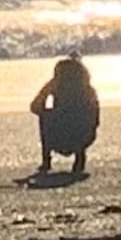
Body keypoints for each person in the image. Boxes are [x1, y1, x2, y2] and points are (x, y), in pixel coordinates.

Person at [30, 52, 100, 180]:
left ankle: (46, 161)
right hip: (80, 137)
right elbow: (95, 119)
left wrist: (47, 113)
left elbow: (35, 106)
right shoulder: (88, 89)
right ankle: (79, 158)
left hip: (57, 135)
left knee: (45, 116)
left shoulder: (55, 84)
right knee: (84, 117)